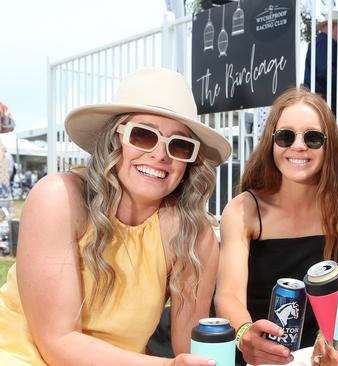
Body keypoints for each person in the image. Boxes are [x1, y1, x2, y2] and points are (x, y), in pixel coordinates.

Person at [0, 67, 232, 366]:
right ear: (114, 140)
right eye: (144, 136)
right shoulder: (58, 197)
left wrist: (240, 339)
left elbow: (190, 342)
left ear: (189, 161)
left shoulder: (194, 235)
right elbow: (57, 341)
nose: (161, 155)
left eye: (179, 145)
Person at [215, 87, 338, 366]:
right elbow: (228, 295)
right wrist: (246, 335)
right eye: (286, 136)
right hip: (260, 359)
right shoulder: (244, 209)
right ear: (271, 142)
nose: (298, 146)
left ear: (328, 146)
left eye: (313, 137)